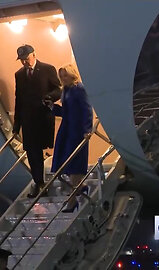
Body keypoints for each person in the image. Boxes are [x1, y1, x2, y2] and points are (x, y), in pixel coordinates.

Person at [12, 44, 62, 198]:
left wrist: (50, 97)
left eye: (26, 59)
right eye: (22, 60)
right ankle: (39, 183)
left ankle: (46, 182)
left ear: (34, 55)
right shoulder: (19, 75)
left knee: (41, 149)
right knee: (32, 153)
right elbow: (18, 100)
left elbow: (57, 89)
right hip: (28, 120)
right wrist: (16, 126)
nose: (25, 63)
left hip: (43, 117)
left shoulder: (47, 69)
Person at [49, 64, 93, 213]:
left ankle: (72, 200)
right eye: (61, 76)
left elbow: (87, 109)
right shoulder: (66, 90)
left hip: (77, 130)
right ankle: (80, 188)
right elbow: (67, 112)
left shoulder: (79, 88)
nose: (63, 78)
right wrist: (53, 108)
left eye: (65, 75)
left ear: (72, 74)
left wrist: (87, 129)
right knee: (67, 163)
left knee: (74, 164)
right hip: (67, 129)